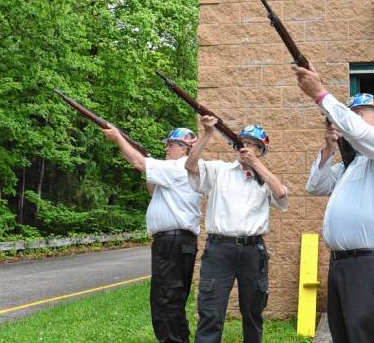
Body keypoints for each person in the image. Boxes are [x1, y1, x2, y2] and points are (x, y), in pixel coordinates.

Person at [292, 63, 374, 343]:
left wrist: (321, 95)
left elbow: (359, 133)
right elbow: (316, 186)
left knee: (365, 336)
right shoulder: (351, 165)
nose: (351, 120)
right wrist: (329, 148)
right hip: (342, 264)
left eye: (359, 114)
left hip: (372, 263)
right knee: (344, 335)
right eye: (350, 115)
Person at [184, 115, 287, 343]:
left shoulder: (264, 177)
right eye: (243, 142)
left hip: (253, 250)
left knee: (253, 311)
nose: (246, 147)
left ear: (260, 150)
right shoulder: (219, 170)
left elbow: (280, 194)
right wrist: (207, 134)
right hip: (219, 248)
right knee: (211, 310)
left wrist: (256, 165)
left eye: (252, 144)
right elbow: (190, 166)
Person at [101, 126, 202, 343]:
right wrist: (149, 164)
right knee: (171, 299)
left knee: (166, 300)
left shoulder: (179, 167)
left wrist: (119, 138)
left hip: (172, 241)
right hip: (174, 241)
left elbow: (138, 163)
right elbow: (152, 190)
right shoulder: (175, 169)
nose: (167, 148)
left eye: (172, 145)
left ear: (185, 149)